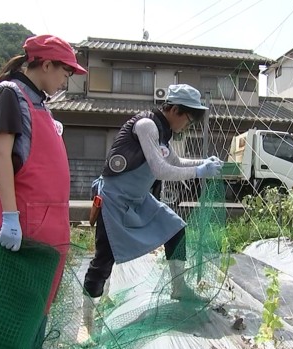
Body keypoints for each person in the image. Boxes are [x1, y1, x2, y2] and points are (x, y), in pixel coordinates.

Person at [0, 35, 87, 349]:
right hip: (25, 215)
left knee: (42, 295)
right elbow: (1, 153)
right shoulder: (11, 94)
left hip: (50, 218)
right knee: (17, 297)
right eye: (64, 72)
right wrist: (10, 216)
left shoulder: (37, 102)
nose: (64, 80)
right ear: (45, 64)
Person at [82, 84, 222, 317]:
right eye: (188, 119)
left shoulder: (163, 134)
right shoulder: (147, 126)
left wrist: (202, 162)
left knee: (175, 228)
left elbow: (175, 162)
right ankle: (86, 319)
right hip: (114, 199)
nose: (187, 125)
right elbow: (161, 170)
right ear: (175, 109)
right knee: (104, 259)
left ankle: (178, 288)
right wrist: (199, 172)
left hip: (138, 199)